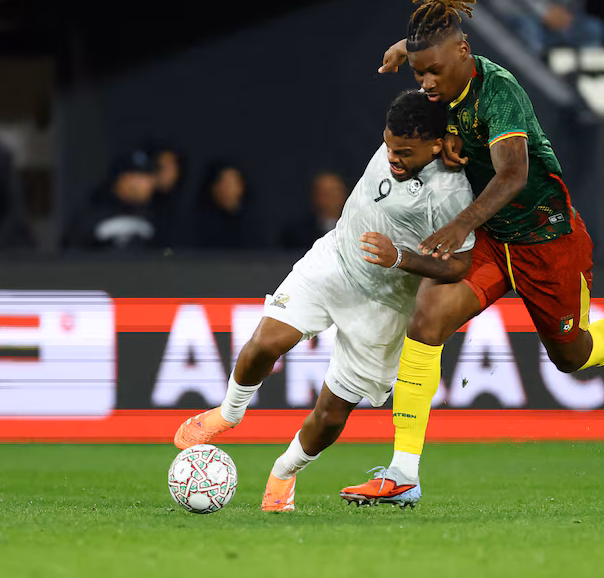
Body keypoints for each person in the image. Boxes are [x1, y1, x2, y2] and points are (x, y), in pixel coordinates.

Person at [339, 0, 604, 506]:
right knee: (427, 319)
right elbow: (427, 51)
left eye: (433, 72)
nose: (426, 84)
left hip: (547, 239)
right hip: (492, 241)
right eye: (419, 74)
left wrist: (456, 226)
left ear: (464, 52)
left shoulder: (499, 92)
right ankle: (403, 473)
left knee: (573, 355)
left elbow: (513, 174)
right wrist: (405, 50)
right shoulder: (439, 72)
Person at [173, 90, 477, 511]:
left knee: (331, 414)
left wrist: (400, 258)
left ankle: (284, 472)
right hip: (334, 261)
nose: (393, 158)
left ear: (437, 145)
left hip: (386, 305)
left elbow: (460, 265)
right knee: (266, 342)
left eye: (405, 153)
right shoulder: (407, 131)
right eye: (388, 146)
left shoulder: (450, 193)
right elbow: (436, 86)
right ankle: (230, 412)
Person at [64, 150, 159, 250]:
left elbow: (166, 253)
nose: (150, 184)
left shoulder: (154, 213)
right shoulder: (93, 212)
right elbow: (70, 252)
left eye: (151, 177)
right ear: (122, 178)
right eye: (142, 177)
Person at [188, 161, 263, 249]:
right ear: (212, 187)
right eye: (222, 181)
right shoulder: (197, 223)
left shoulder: (253, 225)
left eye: (231, 183)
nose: (226, 188)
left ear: (241, 187)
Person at [280, 171, 348, 251]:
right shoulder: (297, 232)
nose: (333, 198)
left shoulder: (353, 228)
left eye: (336, 192)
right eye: (327, 194)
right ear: (315, 196)